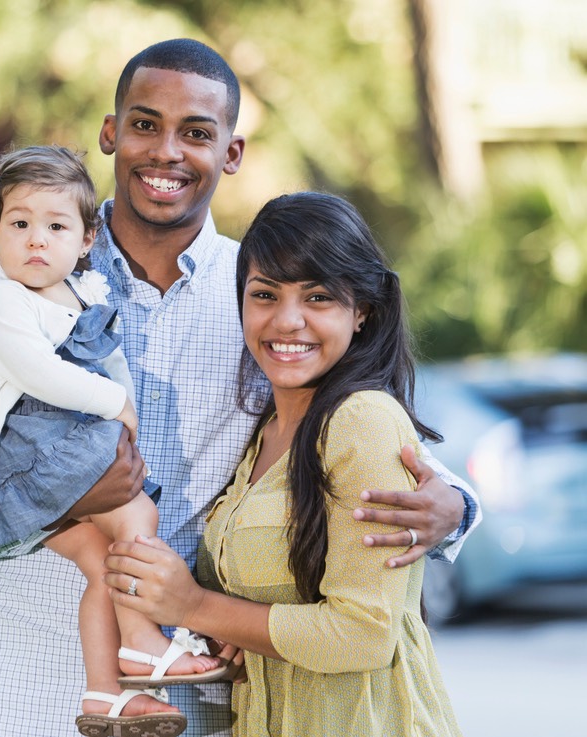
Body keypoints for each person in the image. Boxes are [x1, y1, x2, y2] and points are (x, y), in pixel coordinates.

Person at [0, 39, 480, 737]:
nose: (167, 152)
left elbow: (364, 435)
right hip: (18, 701)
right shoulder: (12, 284)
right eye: (144, 124)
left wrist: (455, 508)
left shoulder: (260, 297)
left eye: (196, 133)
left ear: (232, 153)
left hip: (199, 708)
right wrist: (60, 496)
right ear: (110, 134)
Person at [105, 191, 464, 735]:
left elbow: (364, 633)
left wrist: (192, 605)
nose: (287, 321)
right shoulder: (265, 431)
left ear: (361, 311)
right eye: (265, 294)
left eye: (318, 297)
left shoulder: (362, 420)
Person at [0, 145, 228, 737]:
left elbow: (110, 363)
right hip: (15, 461)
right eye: (19, 224)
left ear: (85, 239)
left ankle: (105, 692)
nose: (35, 240)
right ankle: (141, 639)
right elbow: (38, 373)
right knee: (138, 512)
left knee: (102, 563)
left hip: (57, 452)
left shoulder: (84, 295)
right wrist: (119, 410)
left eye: (55, 227)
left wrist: (122, 403)